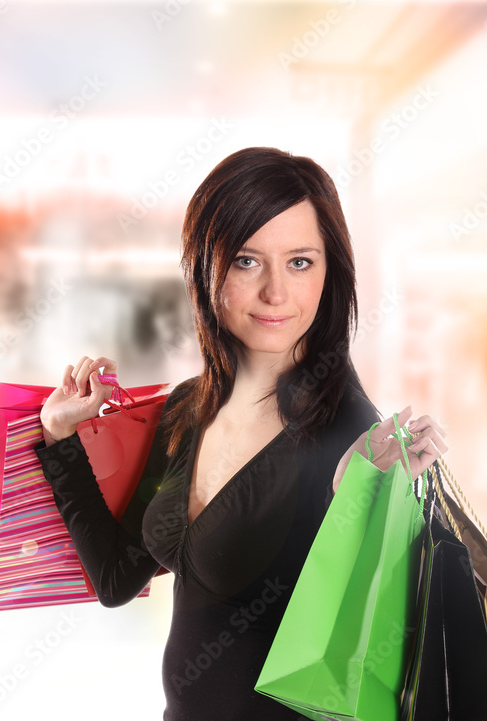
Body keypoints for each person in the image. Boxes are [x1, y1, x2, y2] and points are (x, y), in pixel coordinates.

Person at [34, 147, 449, 720]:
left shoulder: (355, 438)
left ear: (331, 273)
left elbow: (368, 650)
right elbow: (115, 578)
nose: (276, 293)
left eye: (300, 262)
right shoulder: (187, 407)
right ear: (206, 267)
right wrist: (61, 441)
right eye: (248, 261)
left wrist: (358, 505)